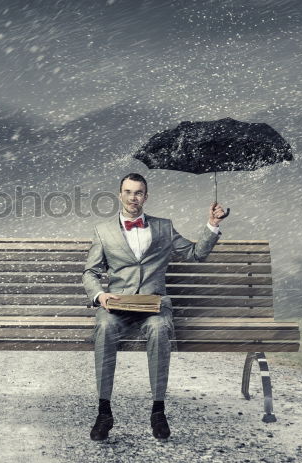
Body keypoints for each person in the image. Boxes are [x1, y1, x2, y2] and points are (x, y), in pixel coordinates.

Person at [82, 172, 228, 441]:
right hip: (117, 306)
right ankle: (104, 411)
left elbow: (196, 254)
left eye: (138, 193)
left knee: (161, 330)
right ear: (120, 195)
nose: (133, 197)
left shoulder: (163, 227)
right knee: (103, 327)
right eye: (128, 191)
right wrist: (100, 296)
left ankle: (158, 411)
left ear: (145, 197)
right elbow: (89, 273)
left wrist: (212, 224)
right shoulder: (102, 231)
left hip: (153, 306)